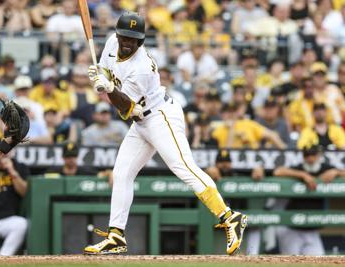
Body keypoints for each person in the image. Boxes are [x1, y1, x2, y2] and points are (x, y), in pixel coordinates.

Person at [84, 13, 247, 255]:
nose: (128, 42)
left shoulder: (142, 68)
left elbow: (126, 108)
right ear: (117, 34)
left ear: (141, 41)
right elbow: (109, 74)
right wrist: (104, 78)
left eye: (134, 39)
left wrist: (107, 89)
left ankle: (229, 216)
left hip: (160, 116)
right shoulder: (111, 42)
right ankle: (116, 235)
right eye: (125, 37)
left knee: (183, 166)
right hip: (141, 122)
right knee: (121, 174)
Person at [273, 144, 345, 255]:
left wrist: (336, 172)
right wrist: (302, 175)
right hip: (292, 227)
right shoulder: (299, 167)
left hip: (312, 230)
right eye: (307, 155)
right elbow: (277, 172)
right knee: (290, 262)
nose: (310, 158)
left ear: (318, 156)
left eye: (313, 155)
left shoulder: (325, 168)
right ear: (303, 156)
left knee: (318, 260)